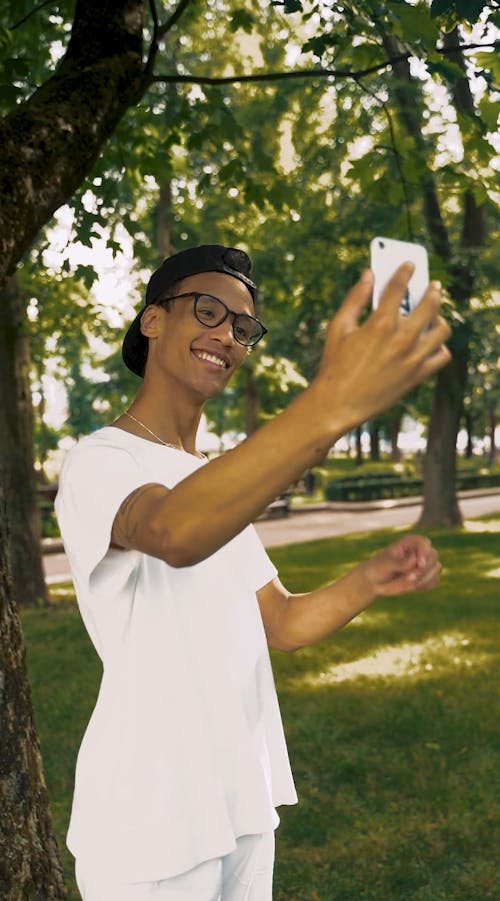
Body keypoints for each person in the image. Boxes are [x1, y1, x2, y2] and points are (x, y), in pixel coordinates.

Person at [55, 244, 451, 900]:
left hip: (239, 800)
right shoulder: (98, 460)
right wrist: (328, 400)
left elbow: (282, 619)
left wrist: (371, 578)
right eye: (208, 310)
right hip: (150, 819)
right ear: (152, 320)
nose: (227, 336)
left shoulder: (214, 477)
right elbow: (172, 531)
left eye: (242, 327)